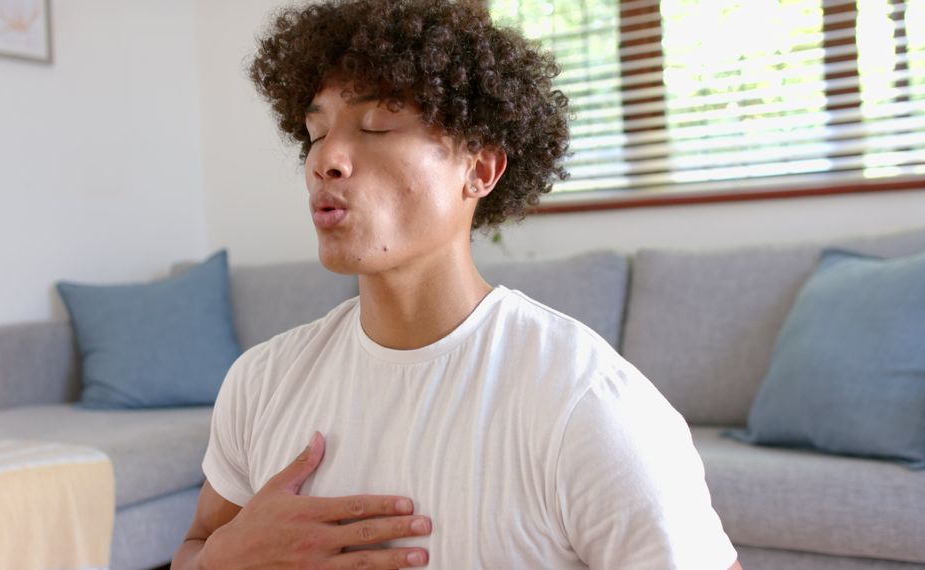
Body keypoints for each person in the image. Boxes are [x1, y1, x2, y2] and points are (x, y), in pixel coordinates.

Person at [172, 0, 743, 568]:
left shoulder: (586, 405)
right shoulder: (261, 382)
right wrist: (222, 558)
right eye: (316, 132)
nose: (328, 160)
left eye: (377, 125)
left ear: (480, 170)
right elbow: (194, 548)